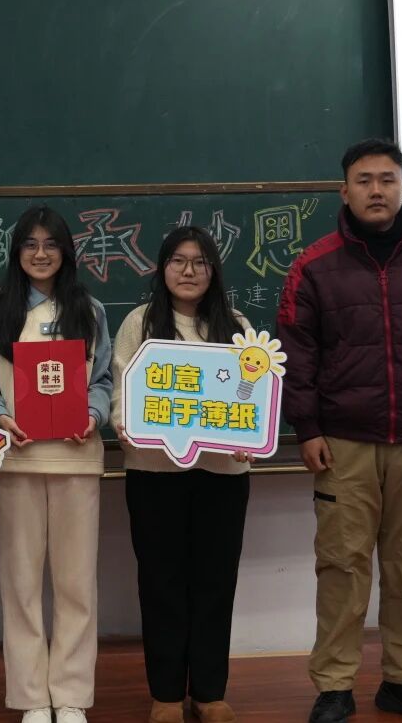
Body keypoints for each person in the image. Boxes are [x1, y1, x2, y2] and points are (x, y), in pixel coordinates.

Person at [275, 139, 402, 723]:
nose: (376, 190)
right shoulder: (314, 266)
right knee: (342, 568)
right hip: (343, 445)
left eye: (387, 180)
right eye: (364, 180)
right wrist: (307, 427)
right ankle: (334, 686)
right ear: (344, 191)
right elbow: (297, 355)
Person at [0, 205, 113, 723]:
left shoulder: (89, 310)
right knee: (21, 585)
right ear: (16, 253)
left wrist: (94, 416)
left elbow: (103, 381)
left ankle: (71, 695)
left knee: (77, 584)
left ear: (66, 252)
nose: (40, 253)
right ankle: (32, 697)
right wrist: (0, 416)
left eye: (50, 244)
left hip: (76, 459)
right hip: (17, 460)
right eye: (30, 244)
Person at [110, 226, 254, 723]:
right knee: (161, 583)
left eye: (199, 262)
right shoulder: (140, 322)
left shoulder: (236, 324)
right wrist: (125, 424)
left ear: (214, 270)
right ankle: (167, 694)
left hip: (222, 473)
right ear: (162, 268)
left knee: (216, 582)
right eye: (178, 260)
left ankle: (210, 692)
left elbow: (252, 395)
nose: (188, 271)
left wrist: (251, 433)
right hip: (154, 473)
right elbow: (121, 387)